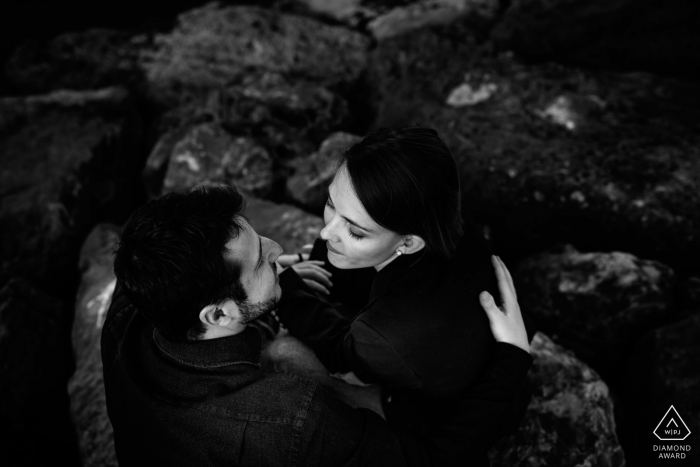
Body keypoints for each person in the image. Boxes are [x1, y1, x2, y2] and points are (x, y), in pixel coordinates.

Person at [102, 185, 532, 466]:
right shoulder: (290, 417)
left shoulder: (134, 302)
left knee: (283, 351)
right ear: (218, 314)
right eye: (260, 260)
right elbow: (434, 458)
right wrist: (511, 358)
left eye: (259, 237)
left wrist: (268, 288)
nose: (278, 248)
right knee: (292, 356)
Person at [273, 126, 537, 453]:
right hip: (458, 364)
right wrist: (313, 261)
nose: (327, 233)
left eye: (355, 230)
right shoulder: (442, 214)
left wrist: (288, 290)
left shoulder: (388, 334)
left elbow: (341, 355)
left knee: (282, 354)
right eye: (330, 203)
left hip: (431, 417)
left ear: (409, 241)